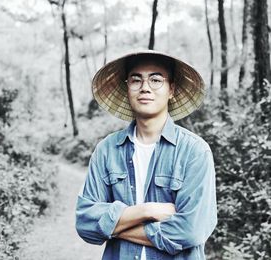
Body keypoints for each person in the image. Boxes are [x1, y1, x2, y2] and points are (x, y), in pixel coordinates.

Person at [75, 50, 217, 259]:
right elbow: (85, 223)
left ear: (171, 90)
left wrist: (113, 227)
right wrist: (147, 210)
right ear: (127, 88)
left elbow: (191, 230)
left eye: (156, 79)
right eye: (136, 80)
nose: (145, 88)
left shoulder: (194, 151)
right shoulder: (106, 150)